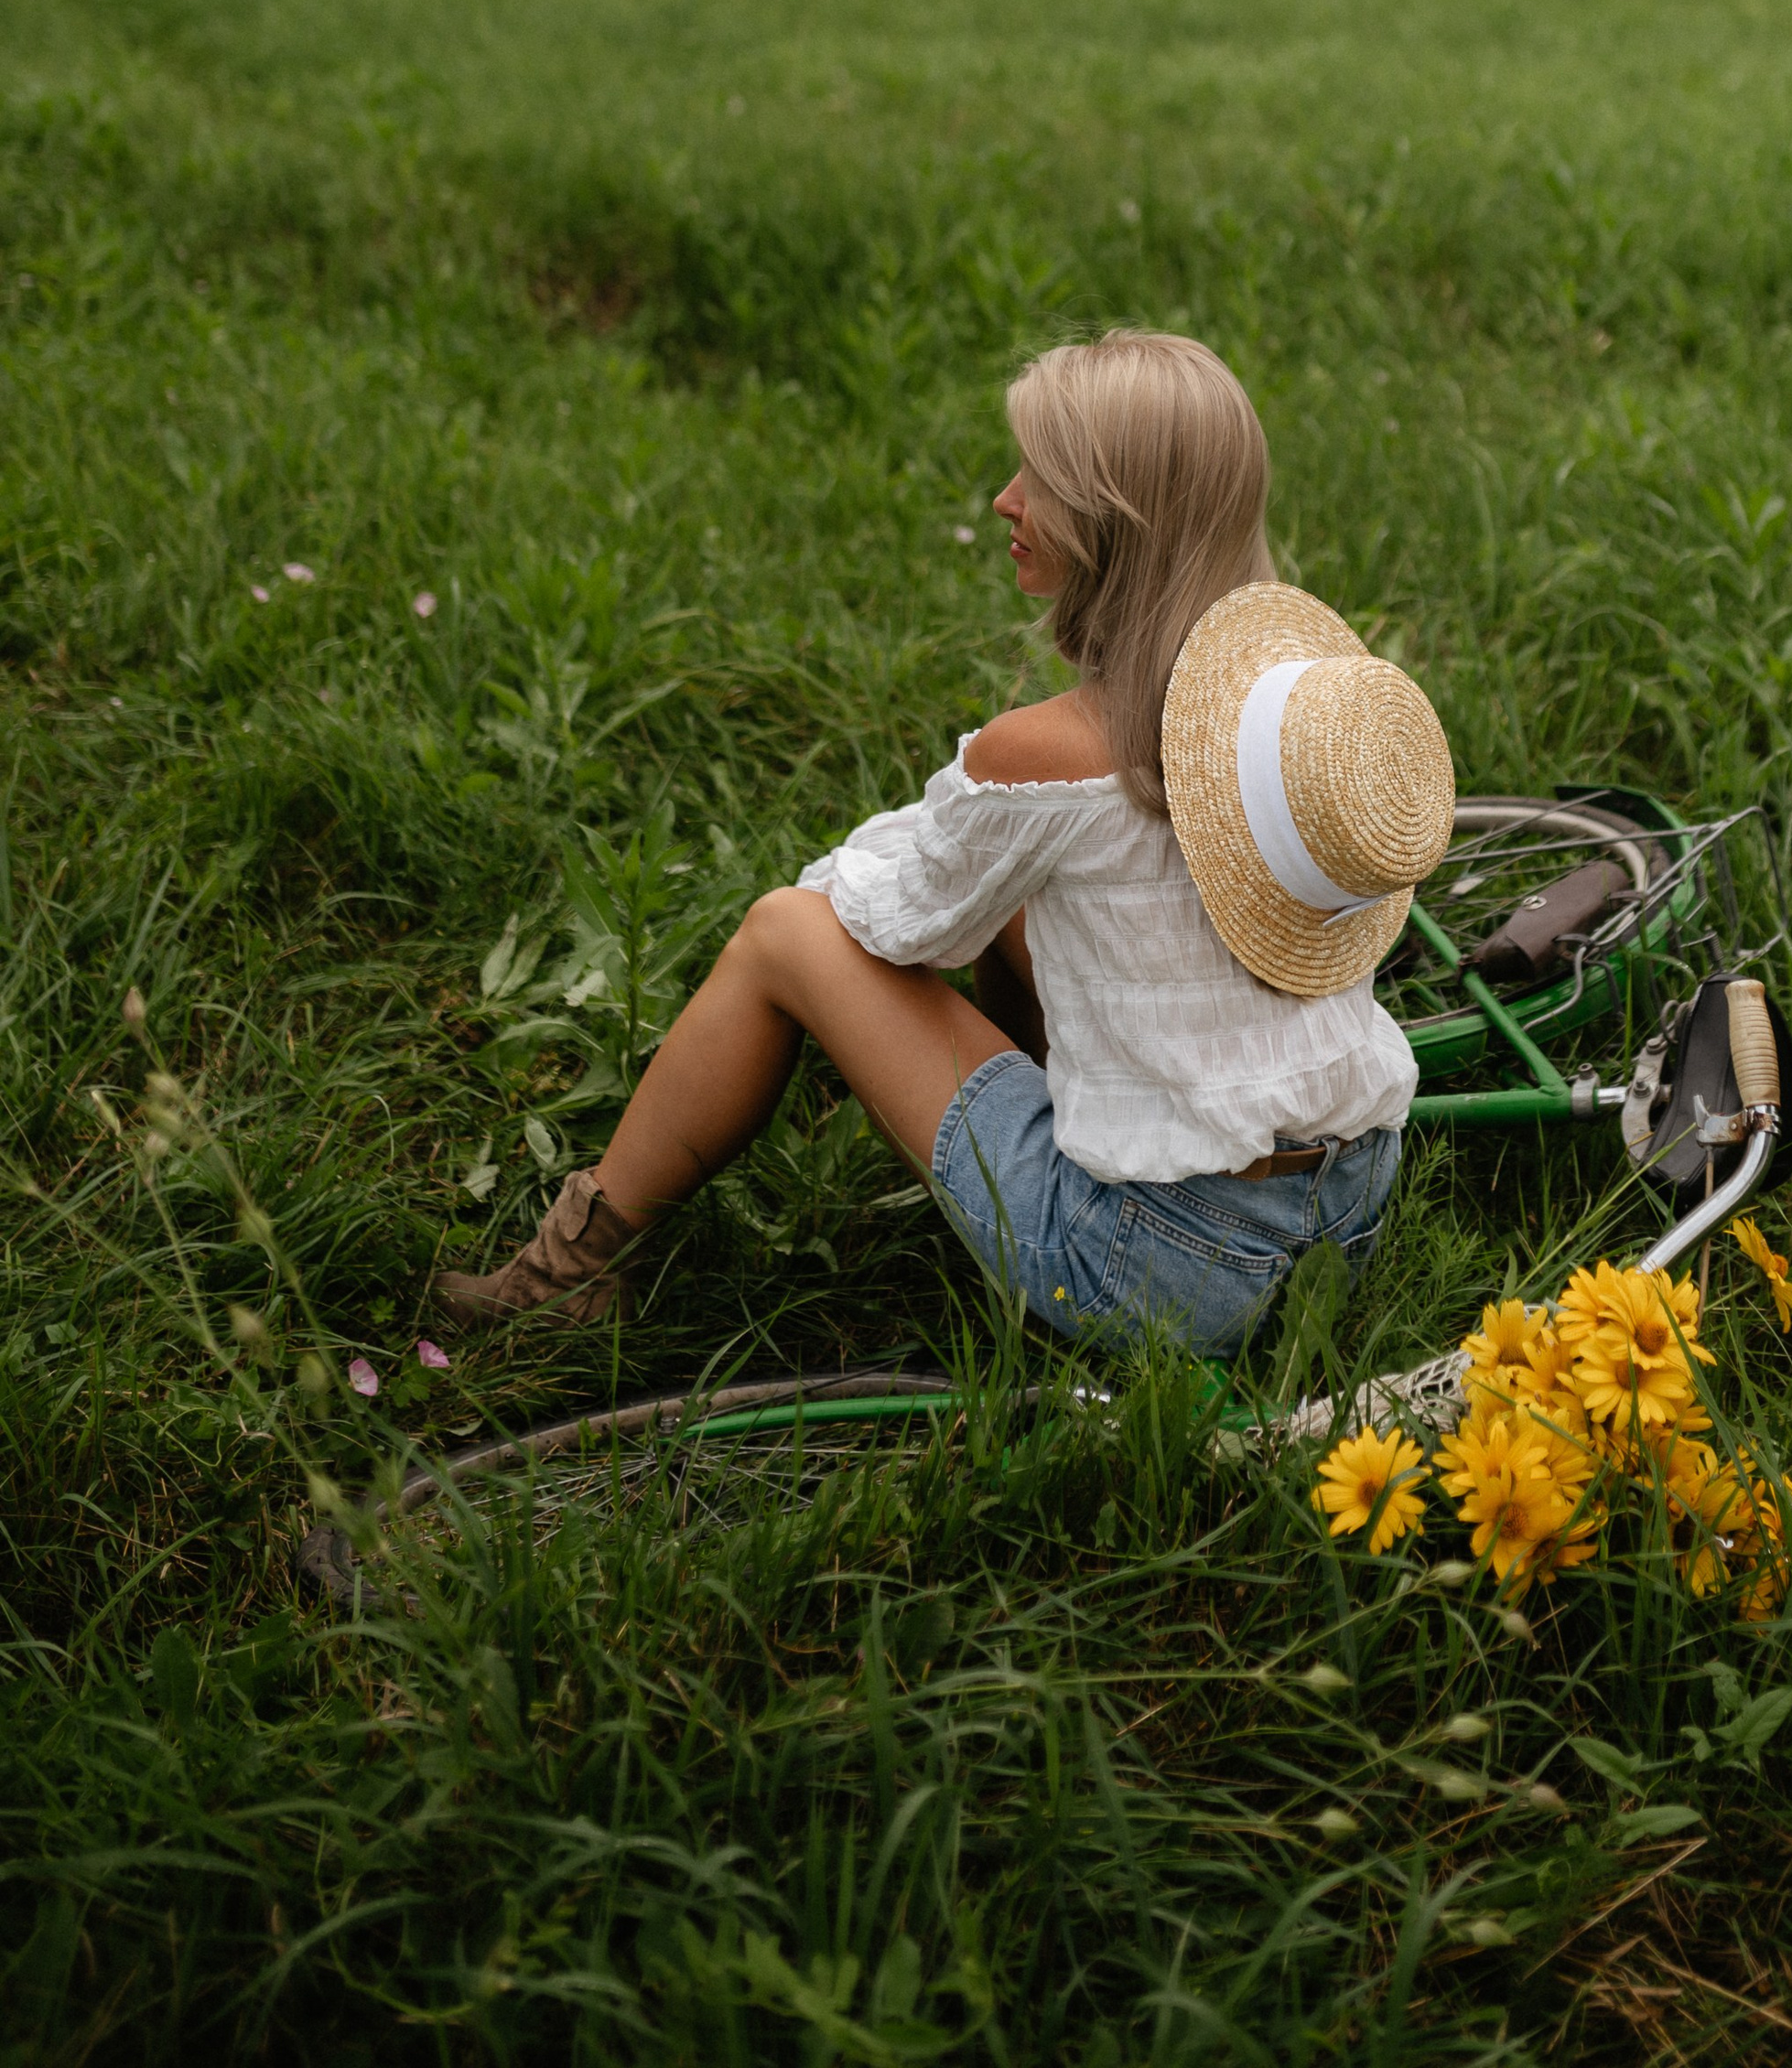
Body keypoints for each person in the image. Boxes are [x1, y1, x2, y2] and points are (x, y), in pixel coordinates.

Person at [436, 330, 1453, 1360]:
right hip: (1345, 1211)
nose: (1006, 500)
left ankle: (568, 1270)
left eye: (1041, 480)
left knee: (784, 935)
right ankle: (1053, 1110)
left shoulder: (1054, 753)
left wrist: (872, 896)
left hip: (1157, 1266)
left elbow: (888, 918)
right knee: (1013, 901)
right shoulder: (1293, 718)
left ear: (1115, 522)